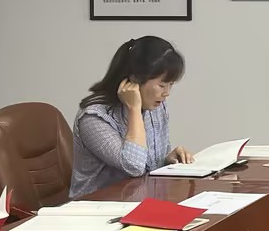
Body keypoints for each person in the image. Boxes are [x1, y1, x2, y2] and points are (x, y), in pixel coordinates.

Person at [71, 37, 190, 199]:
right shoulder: (93, 118)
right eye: (162, 85)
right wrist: (134, 109)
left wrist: (167, 160)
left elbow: (147, 168)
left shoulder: (155, 107)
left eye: (171, 85)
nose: (167, 93)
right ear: (134, 80)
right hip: (97, 207)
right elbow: (134, 166)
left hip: (138, 200)